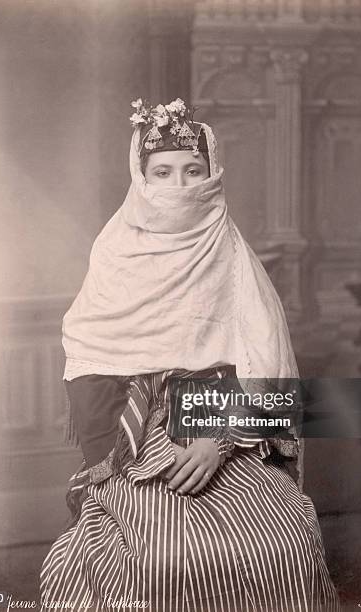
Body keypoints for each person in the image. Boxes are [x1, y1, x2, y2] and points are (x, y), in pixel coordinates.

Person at [39, 98, 340, 612]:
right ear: (141, 177)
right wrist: (149, 455)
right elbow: (91, 366)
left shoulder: (233, 259)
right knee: (159, 556)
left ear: (213, 173)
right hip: (135, 450)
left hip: (226, 437)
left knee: (283, 545)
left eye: (192, 171)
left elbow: (266, 376)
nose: (179, 187)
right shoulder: (114, 256)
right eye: (163, 172)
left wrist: (215, 441)